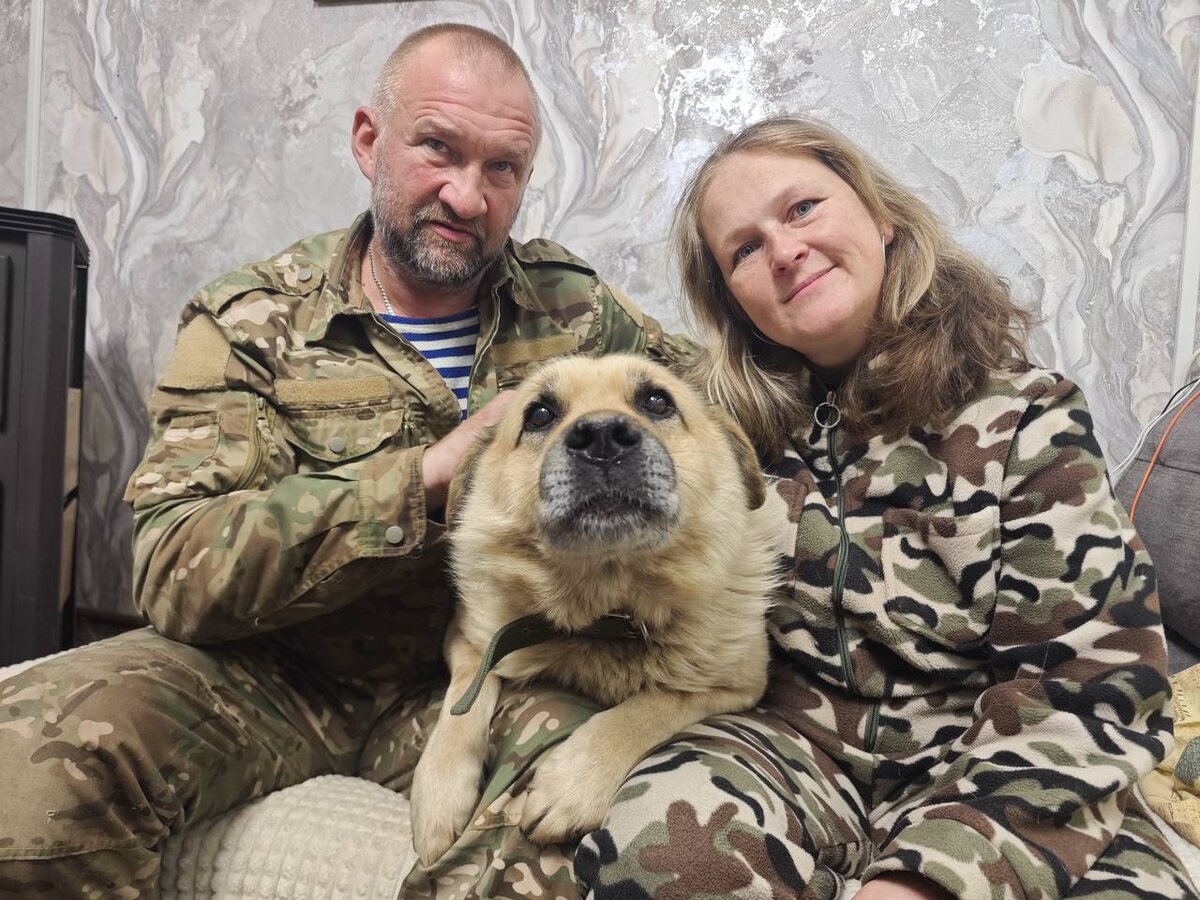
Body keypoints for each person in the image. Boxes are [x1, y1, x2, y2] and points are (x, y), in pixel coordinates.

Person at [0, 23, 686, 897]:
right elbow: (173, 570)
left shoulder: (576, 310)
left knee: (605, 814)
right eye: (438, 149)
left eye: (503, 168)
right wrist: (421, 480)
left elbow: (709, 407)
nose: (468, 196)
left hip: (497, 674)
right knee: (24, 772)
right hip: (269, 673)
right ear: (369, 141)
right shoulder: (251, 321)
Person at [567, 117, 1198, 899]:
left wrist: (925, 880)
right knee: (653, 846)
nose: (784, 250)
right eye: (745, 249)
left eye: (802, 209)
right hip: (790, 750)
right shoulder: (712, 435)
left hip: (994, 764)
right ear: (733, 301)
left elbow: (1092, 683)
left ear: (880, 215)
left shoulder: (1029, 418)